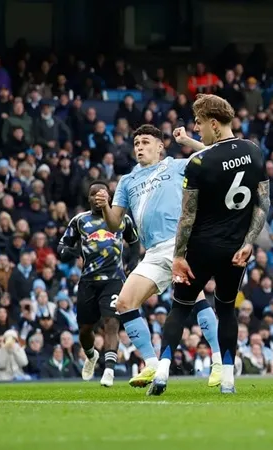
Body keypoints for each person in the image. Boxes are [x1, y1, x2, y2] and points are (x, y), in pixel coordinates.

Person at [151, 94, 268, 396]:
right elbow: (263, 203)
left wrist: (178, 256)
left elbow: (187, 215)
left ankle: (161, 373)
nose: (197, 128)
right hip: (235, 251)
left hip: (200, 249)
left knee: (180, 309)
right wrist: (249, 243)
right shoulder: (254, 151)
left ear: (213, 124)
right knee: (226, 310)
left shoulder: (198, 164)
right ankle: (228, 380)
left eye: (199, 123)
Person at [93, 124, 220, 389]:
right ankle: (151, 364)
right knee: (124, 303)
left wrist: (187, 140)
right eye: (136, 143)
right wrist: (104, 206)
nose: (139, 147)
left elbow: (214, 156)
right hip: (152, 252)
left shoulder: (175, 166)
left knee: (195, 297)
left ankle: (218, 361)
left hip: (180, 244)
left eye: (145, 142)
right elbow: (115, 224)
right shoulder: (127, 181)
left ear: (160, 147)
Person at [57, 181, 138, 387]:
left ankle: (109, 370)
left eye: (102, 193)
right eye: (93, 194)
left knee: (112, 323)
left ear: (109, 197)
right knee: (85, 330)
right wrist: (70, 252)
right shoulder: (79, 220)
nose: (97, 197)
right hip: (88, 281)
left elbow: (134, 240)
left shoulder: (122, 218)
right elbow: (62, 246)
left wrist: (133, 262)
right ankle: (91, 355)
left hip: (114, 280)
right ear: (89, 198)